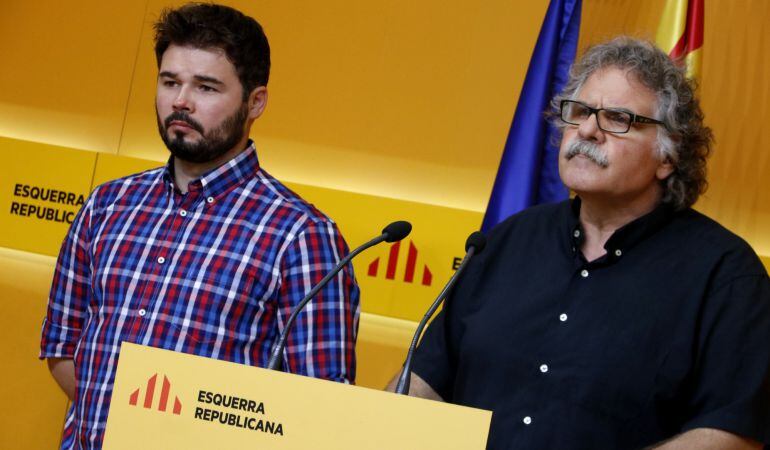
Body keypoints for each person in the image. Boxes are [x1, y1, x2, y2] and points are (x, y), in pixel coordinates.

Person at [391, 37, 770, 449]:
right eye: (581, 112)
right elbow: (426, 380)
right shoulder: (506, 241)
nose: (588, 130)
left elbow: (731, 434)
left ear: (668, 156)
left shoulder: (726, 275)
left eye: (618, 118)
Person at [39, 4, 359, 449]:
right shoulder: (107, 206)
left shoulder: (301, 235)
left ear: (256, 102)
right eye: (170, 82)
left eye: (206, 87)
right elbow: (62, 348)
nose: (181, 101)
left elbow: (322, 407)